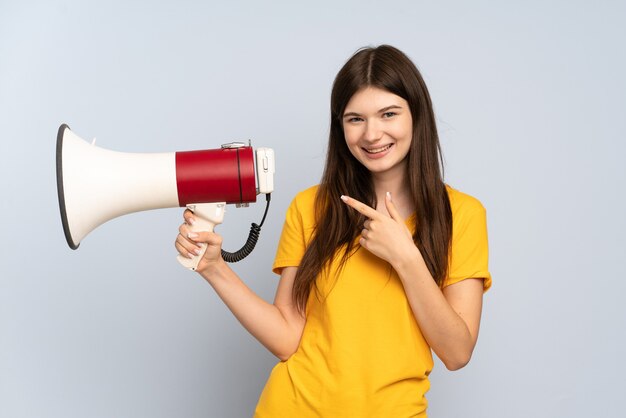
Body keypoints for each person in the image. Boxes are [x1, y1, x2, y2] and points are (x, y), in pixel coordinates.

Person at [175, 44, 491, 418]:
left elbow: (457, 352)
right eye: (355, 119)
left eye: (388, 114)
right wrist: (214, 268)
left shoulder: (463, 215)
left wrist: (406, 256)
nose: (372, 134)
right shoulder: (311, 207)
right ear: (340, 126)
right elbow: (287, 338)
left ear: (416, 116)